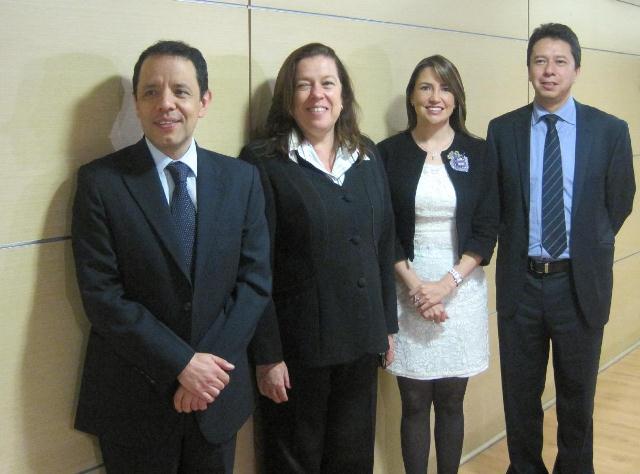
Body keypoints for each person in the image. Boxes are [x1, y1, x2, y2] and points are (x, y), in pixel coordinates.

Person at [71, 40, 271, 473]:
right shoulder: (101, 183)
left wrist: (204, 373)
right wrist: (181, 363)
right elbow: (102, 296)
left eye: (180, 91)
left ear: (204, 101)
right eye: (151, 92)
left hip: (216, 396)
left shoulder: (242, 180)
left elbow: (254, 283)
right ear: (136, 104)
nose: (166, 104)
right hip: (133, 397)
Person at [239, 42, 397, 473]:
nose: (317, 95)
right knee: (294, 461)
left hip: (361, 341)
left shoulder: (366, 153)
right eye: (304, 85)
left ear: (343, 94)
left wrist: (387, 325)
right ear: (288, 98)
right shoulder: (263, 161)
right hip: (297, 352)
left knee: (352, 459)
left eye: (327, 83)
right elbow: (255, 266)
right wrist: (267, 355)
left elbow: (383, 243)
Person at [486, 23, 635, 473]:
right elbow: (496, 204)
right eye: (539, 61)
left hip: (578, 285)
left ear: (576, 69)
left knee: (577, 396)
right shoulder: (504, 129)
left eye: (559, 61)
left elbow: (620, 201)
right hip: (522, 286)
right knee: (520, 396)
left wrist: (588, 246)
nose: (548, 71)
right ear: (529, 68)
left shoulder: (609, 131)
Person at [378, 55, 498, 474]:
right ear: (412, 96)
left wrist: (445, 285)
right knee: (412, 402)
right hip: (404, 287)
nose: (435, 97)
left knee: (451, 400)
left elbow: (486, 228)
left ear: (456, 97)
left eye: (445, 88)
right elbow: (383, 226)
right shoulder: (387, 153)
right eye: (426, 87)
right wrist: (416, 286)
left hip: (460, 289)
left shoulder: (479, 152)